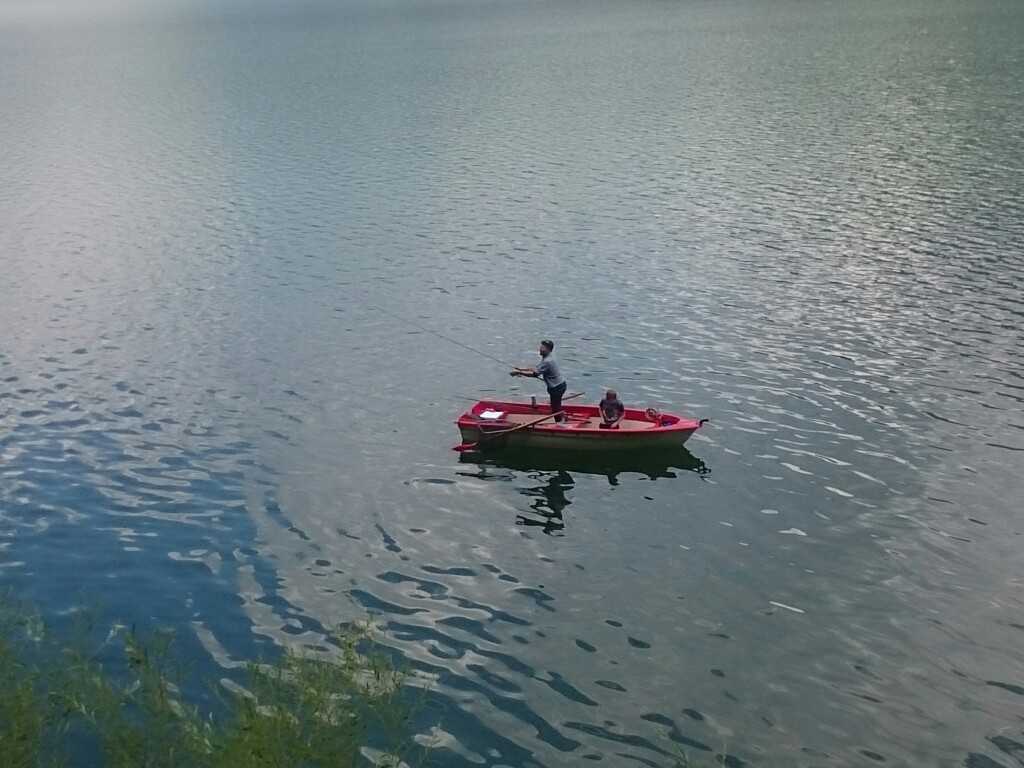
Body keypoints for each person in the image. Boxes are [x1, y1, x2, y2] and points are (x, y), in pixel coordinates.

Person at [511, 339, 567, 423]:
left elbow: (535, 374)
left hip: (557, 388)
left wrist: (518, 373)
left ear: (548, 350)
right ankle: (563, 417)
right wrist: (521, 369)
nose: (540, 349)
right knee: (556, 405)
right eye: (541, 347)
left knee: (555, 409)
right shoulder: (547, 358)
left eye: (543, 348)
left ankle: (560, 424)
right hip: (559, 385)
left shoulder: (547, 361)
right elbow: (535, 369)